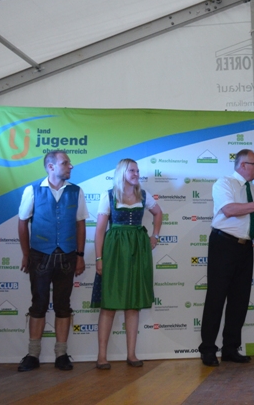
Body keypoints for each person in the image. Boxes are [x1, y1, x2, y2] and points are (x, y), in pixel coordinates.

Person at [199, 149, 254, 366]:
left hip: (245, 248)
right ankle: (208, 349)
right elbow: (229, 210)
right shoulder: (224, 183)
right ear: (243, 165)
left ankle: (230, 348)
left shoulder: (253, 188)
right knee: (216, 297)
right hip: (223, 244)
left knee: (240, 299)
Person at [17, 150, 88, 372]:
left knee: (63, 305)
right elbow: (22, 222)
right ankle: (32, 354)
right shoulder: (32, 190)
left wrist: (79, 256)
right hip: (39, 255)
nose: (70, 166)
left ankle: (61, 354)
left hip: (67, 256)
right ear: (51, 167)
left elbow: (80, 224)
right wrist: (26, 254)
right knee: (38, 304)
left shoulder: (76, 191)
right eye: (65, 163)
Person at [92, 158, 162, 369]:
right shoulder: (109, 195)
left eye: (137, 171)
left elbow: (158, 213)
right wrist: (99, 258)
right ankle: (102, 356)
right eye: (132, 170)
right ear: (122, 172)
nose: (136, 174)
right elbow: (99, 231)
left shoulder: (143, 195)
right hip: (114, 250)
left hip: (138, 250)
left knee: (133, 303)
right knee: (109, 303)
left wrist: (155, 236)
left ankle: (131, 354)